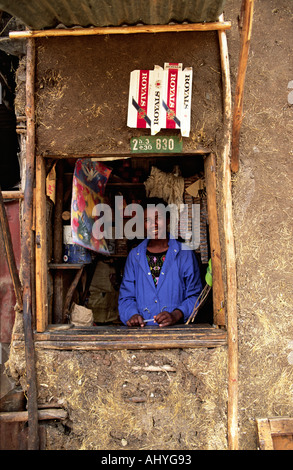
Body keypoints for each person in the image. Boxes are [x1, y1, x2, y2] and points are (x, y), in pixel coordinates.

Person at [118, 198, 202, 327]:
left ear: (168, 220)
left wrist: (176, 314)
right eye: (147, 220)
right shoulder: (135, 256)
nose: (154, 224)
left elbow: (195, 295)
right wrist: (132, 315)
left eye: (159, 218)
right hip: (142, 333)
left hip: (177, 332)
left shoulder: (185, 254)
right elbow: (126, 298)